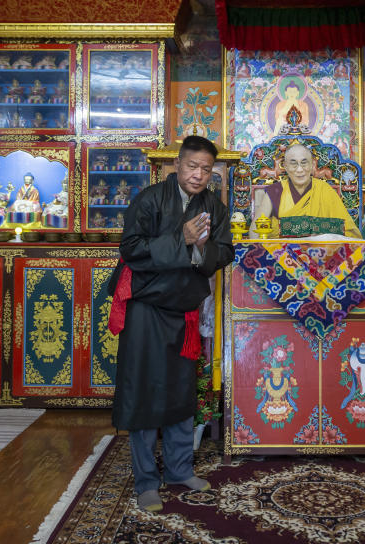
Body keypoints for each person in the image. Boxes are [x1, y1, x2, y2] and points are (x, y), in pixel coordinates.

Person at [109, 135, 234, 514]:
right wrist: (181, 237)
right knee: (144, 393)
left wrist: (199, 247)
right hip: (147, 309)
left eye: (206, 170)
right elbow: (130, 248)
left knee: (181, 393)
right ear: (177, 166)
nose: (198, 175)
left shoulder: (213, 204)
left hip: (184, 309)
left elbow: (225, 250)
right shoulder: (149, 199)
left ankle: (180, 469)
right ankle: (147, 481)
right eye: (192, 167)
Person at [251, 143, 362, 238]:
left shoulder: (325, 191)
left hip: (322, 257)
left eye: (304, 163)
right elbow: (254, 232)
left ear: (312, 165)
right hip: (281, 257)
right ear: (285, 166)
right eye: (293, 164)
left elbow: (350, 233)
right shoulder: (275, 191)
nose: (299, 169)